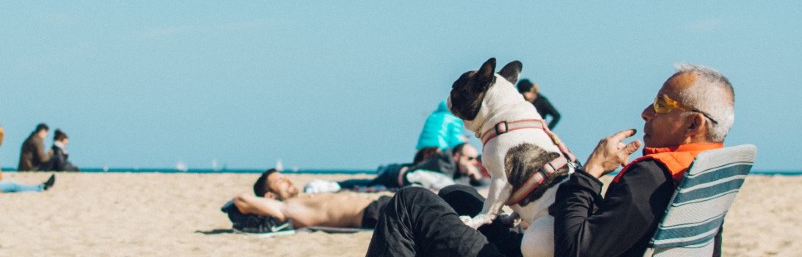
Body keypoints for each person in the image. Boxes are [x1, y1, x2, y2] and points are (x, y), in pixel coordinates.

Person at [367, 64, 736, 256]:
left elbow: (577, 250)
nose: (645, 113)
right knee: (457, 196)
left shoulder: (651, 179)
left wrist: (590, 173)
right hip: (561, 242)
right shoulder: (702, 173)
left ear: (693, 123)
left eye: (660, 105)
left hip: (559, 248)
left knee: (410, 203)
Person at [234, 169, 399, 229]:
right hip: (374, 213)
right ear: (269, 196)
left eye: (285, 177)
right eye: (280, 180)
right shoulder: (287, 208)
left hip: (382, 204)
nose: (288, 180)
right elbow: (241, 200)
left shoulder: (303, 198)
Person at [339, 143, 485, 191]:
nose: (473, 162)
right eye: (469, 158)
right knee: (369, 183)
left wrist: (476, 177)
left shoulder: (459, 170)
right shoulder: (444, 164)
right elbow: (448, 185)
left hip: (404, 175)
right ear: (457, 157)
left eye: (475, 159)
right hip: (395, 173)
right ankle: (338, 185)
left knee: (375, 185)